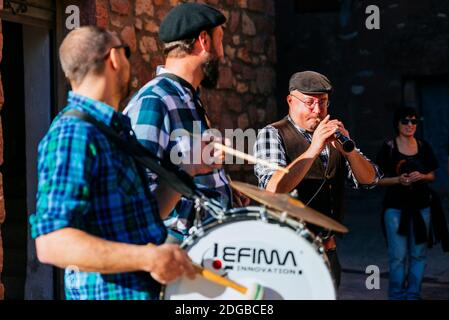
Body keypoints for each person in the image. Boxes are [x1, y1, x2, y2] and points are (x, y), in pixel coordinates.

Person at [28, 26, 223, 300]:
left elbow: (144, 218)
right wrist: (148, 257)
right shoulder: (74, 133)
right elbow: (53, 243)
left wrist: (189, 169)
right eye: (127, 53)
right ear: (115, 58)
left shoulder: (111, 129)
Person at [124, 3, 248, 243]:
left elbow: (185, 170)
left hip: (201, 246)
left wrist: (225, 191)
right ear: (204, 40)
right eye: (220, 40)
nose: (222, 54)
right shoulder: (154, 100)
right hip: (177, 249)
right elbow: (138, 196)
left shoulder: (188, 98)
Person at [253, 71, 381, 287]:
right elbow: (272, 189)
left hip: (327, 252)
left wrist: (349, 151)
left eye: (323, 103)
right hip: (287, 255)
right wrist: (314, 148)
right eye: (310, 102)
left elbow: (371, 180)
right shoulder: (272, 134)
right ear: (290, 101)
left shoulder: (334, 136)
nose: (318, 111)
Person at [376, 107, 439, 300]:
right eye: (405, 121)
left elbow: (432, 175)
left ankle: (413, 294)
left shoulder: (424, 146)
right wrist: (397, 180)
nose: (410, 125)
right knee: (398, 256)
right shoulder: (389, 147)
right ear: (397, 124)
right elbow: (375, 179)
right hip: (395, 208)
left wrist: (423, 176)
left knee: (418, 254)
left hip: (422, 207)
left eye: (414, 121)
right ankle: (396, 296)